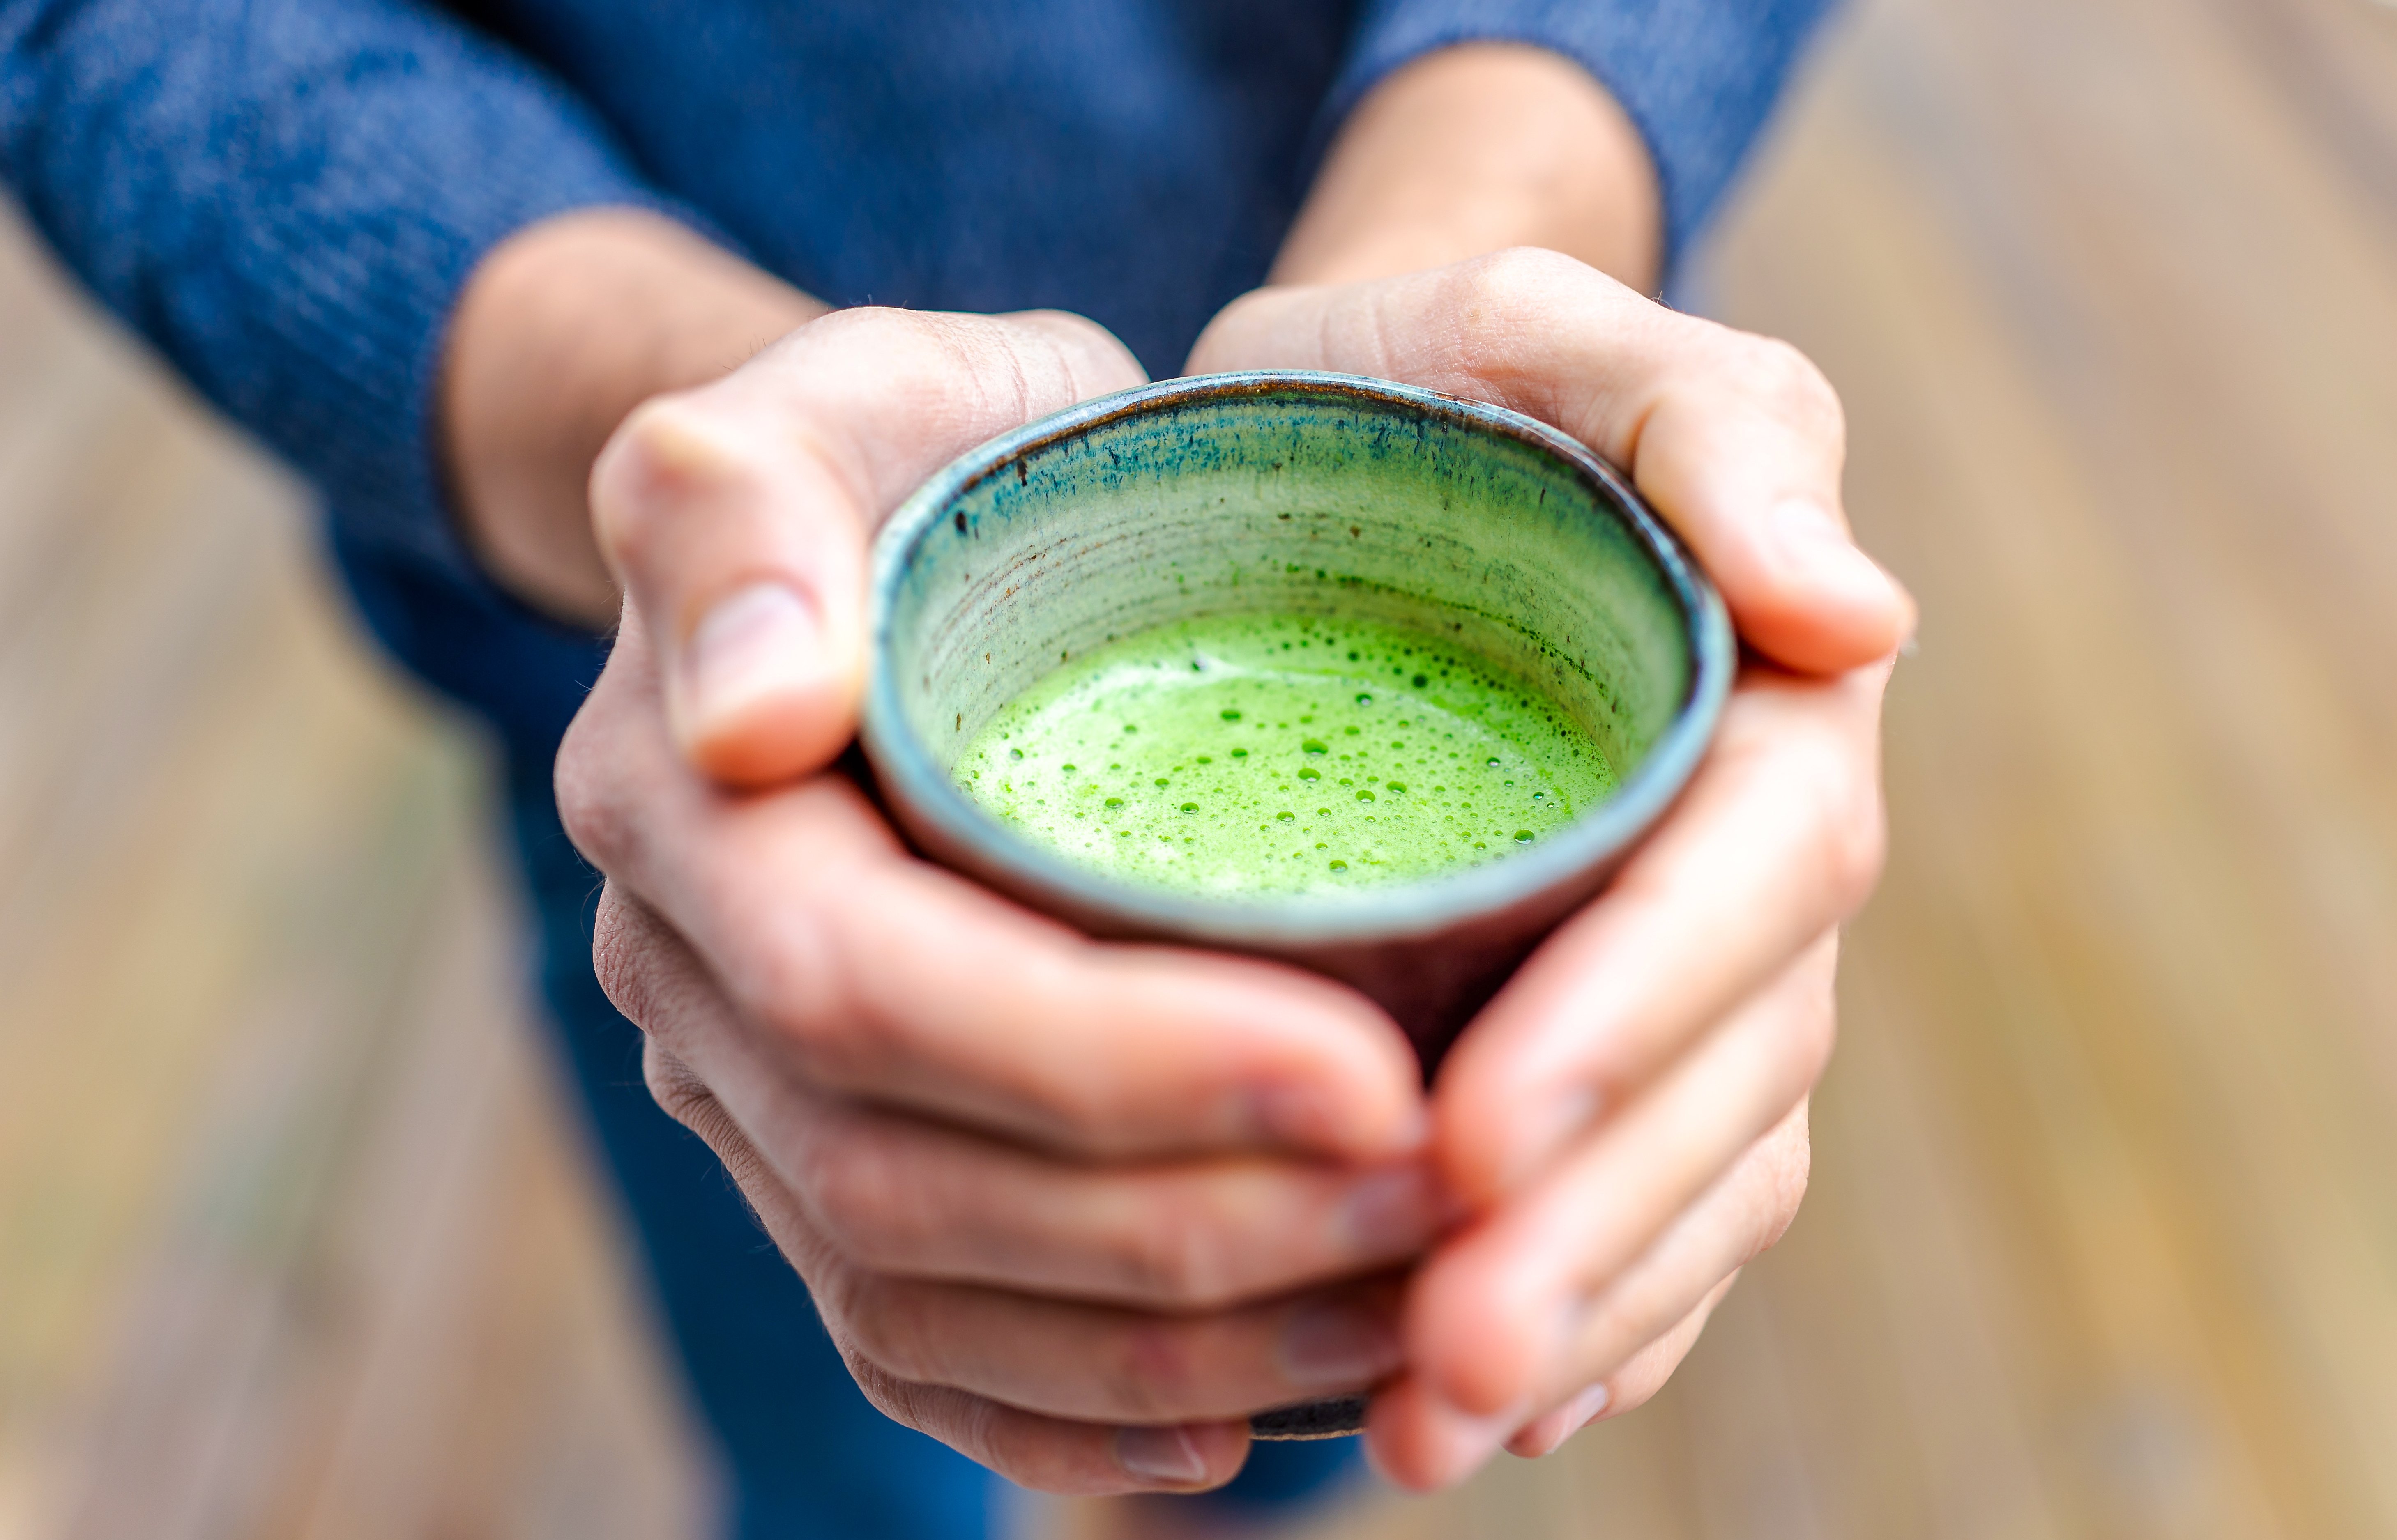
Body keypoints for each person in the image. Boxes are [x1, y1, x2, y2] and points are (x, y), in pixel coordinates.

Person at [1, 2, 1912, 1535]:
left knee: (1312, 1394)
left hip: (1514, 506)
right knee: (847, 1437)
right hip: (713, 771)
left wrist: (1490, 230)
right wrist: (666, 439)